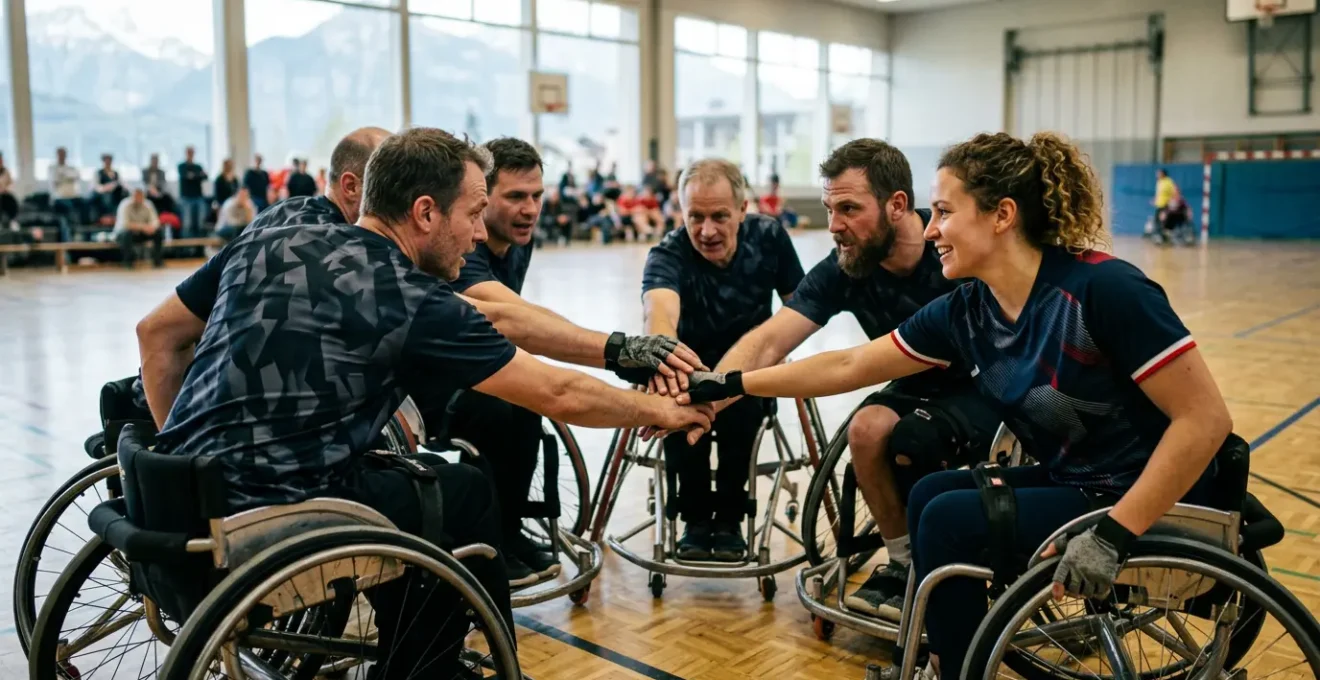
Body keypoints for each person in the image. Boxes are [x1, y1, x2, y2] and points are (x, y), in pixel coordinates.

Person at [136, 127, 714, 678]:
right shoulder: (411, 299)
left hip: (166, 508)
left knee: (405, 482)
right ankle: (426, 669)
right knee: (464, 493)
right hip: (268, 525)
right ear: (425, 212)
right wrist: (662, 411)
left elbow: (155, 333)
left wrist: (186, 463)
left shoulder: (274, 232)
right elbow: (556, 392)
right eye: (471, 214)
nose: (480, 234)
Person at [680, 131, 1233, 679]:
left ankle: (957, 663)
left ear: (1001, 215)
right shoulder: (967, 307)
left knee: (949, 518)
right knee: (929, 495)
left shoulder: (1105, 289)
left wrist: (1114, 533)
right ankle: (952, 651)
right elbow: (849, 366)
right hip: (1081, 482)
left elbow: (1205, 420)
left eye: (944, 211)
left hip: (1151, 497)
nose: (932, 228)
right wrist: (730, 384)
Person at [705, 138, 1000, 620]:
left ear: (897, 205)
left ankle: (949, 564)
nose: (834, 225)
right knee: (864, 430)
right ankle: (903, 563)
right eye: (829, 208)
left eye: (848, 208)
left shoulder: (950, 244)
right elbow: (771, 340)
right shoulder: (847, 264)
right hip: (913, 378)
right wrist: (710, 391)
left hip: (982, 382)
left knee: (914, 439)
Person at [435, 137, 706, 585]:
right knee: (503, 407)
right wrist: (617, 350)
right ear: (482, 198)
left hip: (474, 361)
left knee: (524, 410)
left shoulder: (518, 242)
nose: (530, 210)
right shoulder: (464, 246)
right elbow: (511, 317)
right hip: (433, 380)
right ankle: (487, 541)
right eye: (516, 197)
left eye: (537, 196)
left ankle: (508, 530)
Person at [641, 158, 804, 561]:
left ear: (743, 210)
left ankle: (730, 520)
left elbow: (799, 308)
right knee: (676, 399)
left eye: (719, 216)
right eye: (695, 216)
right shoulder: (668, 253)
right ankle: (695, 521)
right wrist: (666, 364)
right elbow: (659, 315)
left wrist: (782, 354)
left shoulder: (769, 238)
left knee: (741, 407)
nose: (707, 230)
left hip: (749, 372)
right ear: (680, 212)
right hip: (689, 371)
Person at [114, 188, 163, 268]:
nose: (138, 199)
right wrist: (143, 227)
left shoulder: (148, 204)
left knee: (158, 232)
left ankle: (157, 261)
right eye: (136, 196)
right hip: (123, 234)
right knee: (127, 233)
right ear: (132, 196)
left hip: (142, 233)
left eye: (140, 196)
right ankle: (127, 262)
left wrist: (151, 227)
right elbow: (125, 224)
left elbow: (155, 221)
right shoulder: (124, 205)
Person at [177, 146, 209, 237]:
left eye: (192, 152)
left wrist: (193, 176)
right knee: (187, 224)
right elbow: (187, 176)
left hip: (198, 197)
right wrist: (197, 175)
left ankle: (199, 247)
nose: (190, 154)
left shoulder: (198, 166)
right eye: (189, 152)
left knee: (201, 222)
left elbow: (205, 177)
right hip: (186, 198)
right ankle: (186, 249)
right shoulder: (181, 166)